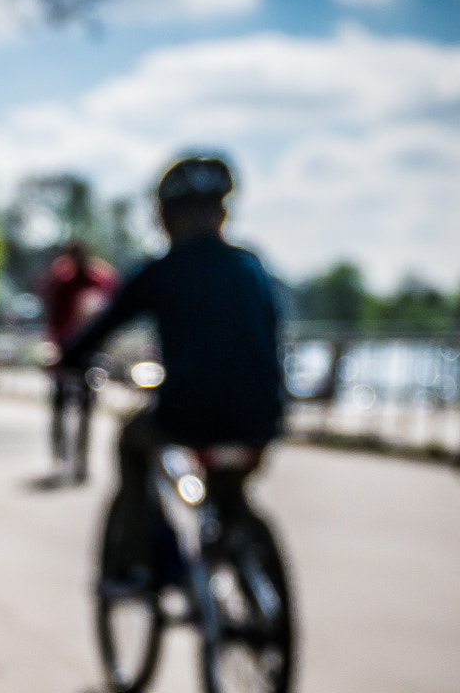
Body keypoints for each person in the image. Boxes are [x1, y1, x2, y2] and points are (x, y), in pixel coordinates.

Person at [58, 156, 283, 592]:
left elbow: (104, 325)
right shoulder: (251, 267)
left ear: (165, 217)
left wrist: (66, 357)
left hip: (188, 413)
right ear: (223, 213)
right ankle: (242, 568)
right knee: (230, 490)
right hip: (263, 415)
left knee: (132, 441)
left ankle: (135, 564)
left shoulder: (163, 271)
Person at [38, 239, 118, 479]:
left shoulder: (98, 278)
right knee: (60, 401)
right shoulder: (61, 279)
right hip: (64, 349)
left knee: (87, 405)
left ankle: (81, 457)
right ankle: (60, 452)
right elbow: (52, 313)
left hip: (89, 352)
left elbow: (110, 302)